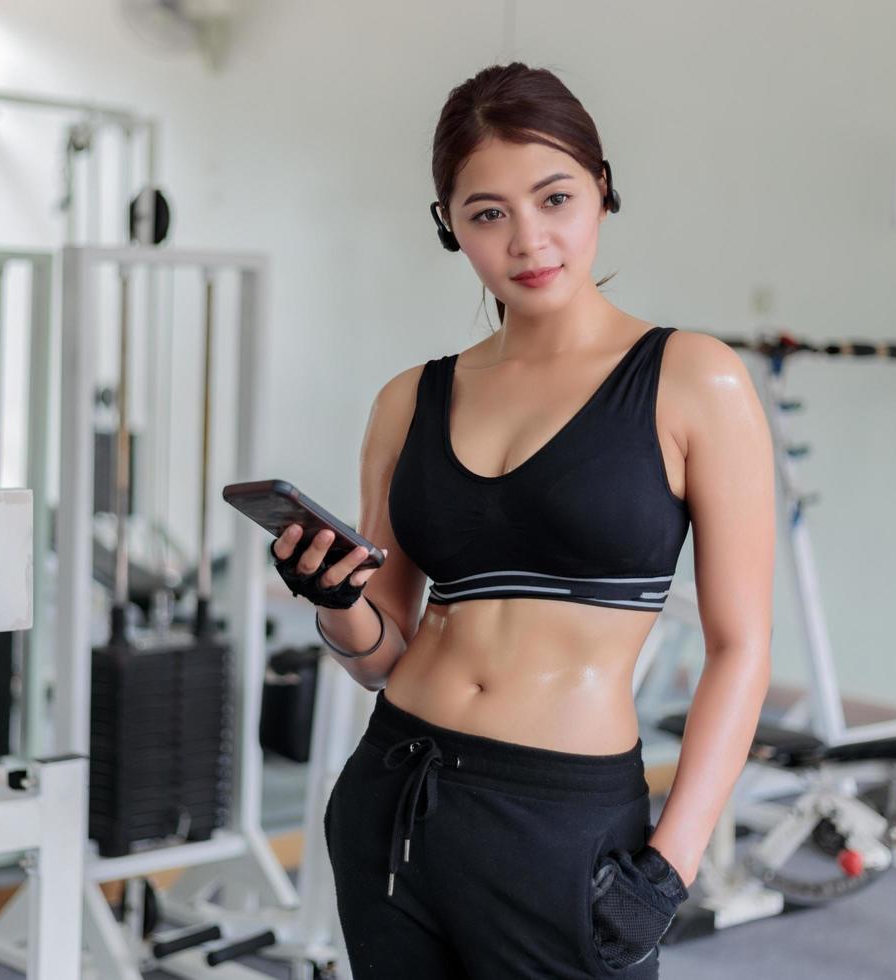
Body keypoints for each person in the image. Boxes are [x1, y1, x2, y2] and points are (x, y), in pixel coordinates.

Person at [271, 63, 774, 978]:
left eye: (554, 198)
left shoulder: (692, 378)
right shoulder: (408, 399)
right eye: (487, 213)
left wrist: (671, 865)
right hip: (391, 797)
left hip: (562, 823)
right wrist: (330, 598)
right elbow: (383, 654)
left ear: (603, 191)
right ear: (449, 227)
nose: (529, 239)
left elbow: (741, 647)